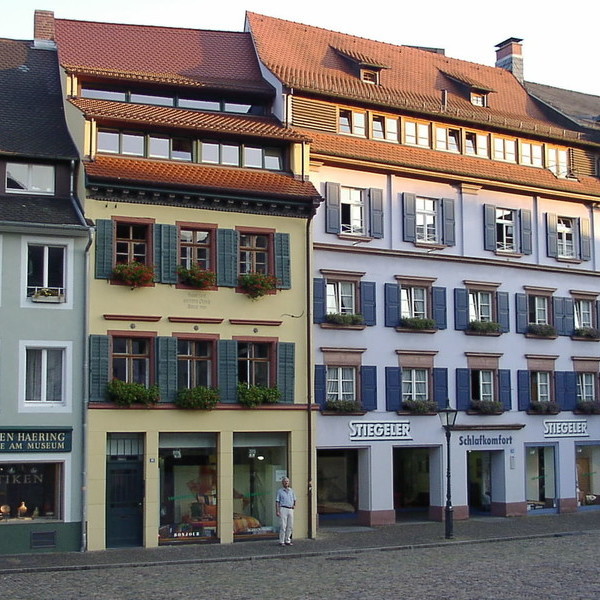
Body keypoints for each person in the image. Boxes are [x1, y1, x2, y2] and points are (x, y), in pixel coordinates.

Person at [275, 476, 296, 546]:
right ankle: (281, 541)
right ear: (282, 483)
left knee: (290, 525)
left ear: (289, 482)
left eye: (287, 481)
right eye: (285, 482)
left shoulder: (292, 491)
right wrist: (277, 511)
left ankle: (288, 540)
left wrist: (294, 505)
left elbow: (294, 499)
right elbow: (277, 501)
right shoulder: (280, 491)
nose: (286, 483)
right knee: (283, 525)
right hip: (283, 508)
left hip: (290, 509)